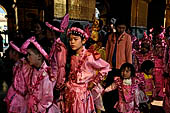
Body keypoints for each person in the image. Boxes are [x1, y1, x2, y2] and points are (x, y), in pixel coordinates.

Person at [64, 22, 111, 113]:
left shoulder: (89, 56)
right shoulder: (72, 56)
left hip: (82, 93)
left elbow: (105, 67)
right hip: (71, 91)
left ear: (83, 41)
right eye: (70, 39)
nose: (72, 42)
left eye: (75, 39)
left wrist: (94, 82)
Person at [104, 18, 132, 113]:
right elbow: (107, 51)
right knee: (109, 87)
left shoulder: (127, 37)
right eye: (119, 28)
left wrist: (129, 69)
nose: (121, 30)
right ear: (116, 27)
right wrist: (105, 66)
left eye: (123, 28)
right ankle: (108, 107)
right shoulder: (110, 36)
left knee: (119, 90)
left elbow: (128, 53)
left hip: (121, 68)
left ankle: (118, 108)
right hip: (111, 67)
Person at [26, 39, 58, 113]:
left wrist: (38, 109)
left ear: (39, 56)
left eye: (29, 54)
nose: (27, 57)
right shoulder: (34, 70)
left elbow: (47, 99)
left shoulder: (47, 74)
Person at [4, 40, 32, 113]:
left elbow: (27, 85)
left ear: (15, 53)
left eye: (10, 51)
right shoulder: (18, 64)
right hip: (16, 96)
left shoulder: (25, 65)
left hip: (21, 100)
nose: (8, 52)